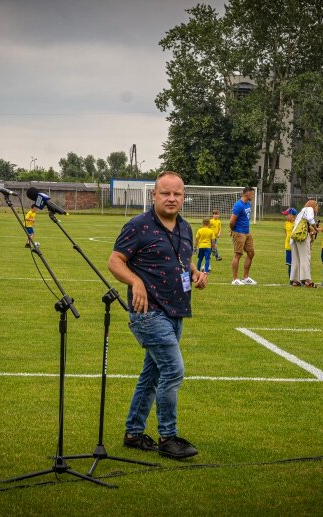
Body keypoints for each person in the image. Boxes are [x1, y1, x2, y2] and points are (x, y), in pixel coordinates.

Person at [108, 170, 207, 460]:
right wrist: (135, 281)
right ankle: (168, 437)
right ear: (154, 195)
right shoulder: (138, 226)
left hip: (176, 311)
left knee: (151, 375)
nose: (172, 198)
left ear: (183, 197)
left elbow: (183, 260)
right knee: (173, 370)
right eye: (166, 193)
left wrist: (196, 274)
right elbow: (115, 261)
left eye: (177, 194)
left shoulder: (185, 228)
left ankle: (133, 433)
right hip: (148, 314)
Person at [230, 186, 256, 285]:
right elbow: (232, 221)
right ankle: (235, 279)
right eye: (252, 194)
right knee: (238, 255)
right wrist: (234, 231)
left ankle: (245, 278)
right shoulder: (238, 205)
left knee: (251, 253)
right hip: (239, 232)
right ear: (247, 193)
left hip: (247, 232)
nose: (253, 196)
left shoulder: (248, 204)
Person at [289, 199, 319, 287]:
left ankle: (295, 280)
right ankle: (307, 280)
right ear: (314, 205)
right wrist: (316, 228)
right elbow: (310, 219)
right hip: (302, 236)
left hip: (294, 236)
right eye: (316, 206)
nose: (317, 208)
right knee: (305, 257)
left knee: (296, 259)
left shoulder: (301, 211)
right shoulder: (309, 209)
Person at [282, 208, 297, 284]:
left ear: (292, 215)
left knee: (296, 264)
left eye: (287, 215)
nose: (285, 216)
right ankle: (291, 280)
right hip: (288, 247)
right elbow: (286, 233)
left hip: (295, 247)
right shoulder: (286, 223)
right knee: (290, 264)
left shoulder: (297, 224)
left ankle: (297, 279)